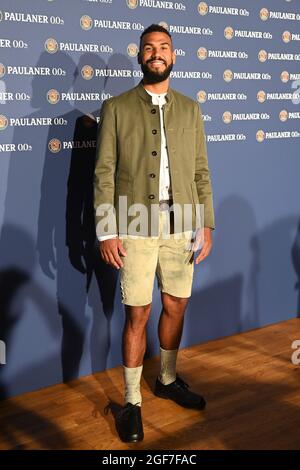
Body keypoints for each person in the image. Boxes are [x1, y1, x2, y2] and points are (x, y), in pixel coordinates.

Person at [94, 24, 215, 443]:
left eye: (164, 47)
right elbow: (103, 174)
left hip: (182, 221)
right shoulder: (116, 107)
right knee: (138, 313)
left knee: (176, 304)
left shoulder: (190, 109)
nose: (156, 53)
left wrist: (207, 223)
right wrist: (107, 229)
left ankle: (166, 378)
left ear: (174, 56)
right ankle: (131, 402)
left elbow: (201, 172)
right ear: (140, 55)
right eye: (149, 48)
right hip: (134, 220)